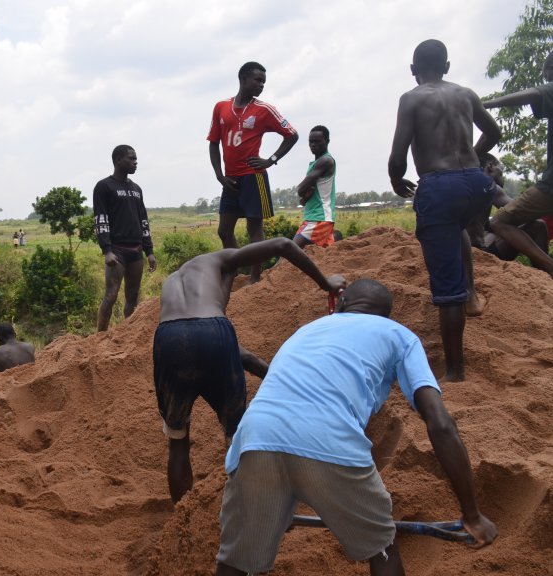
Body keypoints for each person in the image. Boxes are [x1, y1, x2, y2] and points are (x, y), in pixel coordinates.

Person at [215, 279, 498, 576]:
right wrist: (472, 514)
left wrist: (276, 502)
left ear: (341, 304)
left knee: (234, 564)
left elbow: (292, 411)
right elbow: (440, 423)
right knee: (382, 550)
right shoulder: (398, 335)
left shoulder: (306, 331)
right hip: (330, 439)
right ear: (384, 316)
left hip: (255, 438)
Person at [154, 237, 344, 504]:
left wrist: (275, 376)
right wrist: (327, 284)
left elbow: (230, 350)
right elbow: (282, 245)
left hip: (167, 338)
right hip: (214, 333)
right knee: (238, 436)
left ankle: (182, 522)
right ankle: (249, 510)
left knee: (177, 440)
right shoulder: (222, 260)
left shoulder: (173, 283)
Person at [388, 39, 501, 382]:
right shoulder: (466, 93)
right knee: (459, 228)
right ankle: (471, 294)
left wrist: (396, 179)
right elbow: (493, 131)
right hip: (477, 184)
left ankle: (454, 372)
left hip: (440, 185)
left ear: (413, 71)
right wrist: (474, 159)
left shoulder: (411, 98)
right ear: (447, 66)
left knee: (445, 289)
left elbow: (398, 154)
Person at [208, 61, 299, 283]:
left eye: (263, 82)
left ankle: (255, 279)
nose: (261, 85)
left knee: (254, 228)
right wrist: (219, 175)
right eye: (258, 80)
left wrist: (271, 160)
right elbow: (213, 142)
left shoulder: (264, 109)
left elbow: (292, 134)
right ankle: (236, 270)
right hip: (230, 178)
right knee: (224, 230)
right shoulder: (221, 107)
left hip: (253, 176)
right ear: (243, 79)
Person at [484, 51, 553, 278]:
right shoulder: (477, 182)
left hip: (549, 187)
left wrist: (488, 103)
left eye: (547, 76)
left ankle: (546, 278)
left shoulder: (488, 186)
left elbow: (533, 94)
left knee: (509, 223)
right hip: (482, 250)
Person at [93, 144, 157, 331]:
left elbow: (143, 220)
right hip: (117, 251)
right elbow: (100, 219)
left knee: (132, 297)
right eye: (131, 158)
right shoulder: (104, 186)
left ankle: (128, 336)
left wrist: (149, 251)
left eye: (135, 159)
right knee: (111, 295)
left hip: (136, 250)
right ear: (118, 160)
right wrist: (107, 250)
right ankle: (100, 338)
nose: (135, 162)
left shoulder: (137, 189)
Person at [466, 154, 550, 263]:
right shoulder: (490, 186)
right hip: (477, 255)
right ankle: (546, 272)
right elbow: (522, 212)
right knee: (538, 225)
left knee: (498, 227)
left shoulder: (465, 184)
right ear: (491, 166)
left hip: (456, 251)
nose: (503, 176)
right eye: (502, 170)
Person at [294, 125, 337, 248]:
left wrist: (302, 192)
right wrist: (304, 196)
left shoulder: (326, 161)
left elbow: (301, 189)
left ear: (327, 141)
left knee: (291, 252)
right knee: (324, 259)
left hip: (318, 219)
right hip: (320, 218)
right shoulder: (316, 164)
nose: (313, 144)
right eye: (310, 142)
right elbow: (303, 199)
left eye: (317, 141)